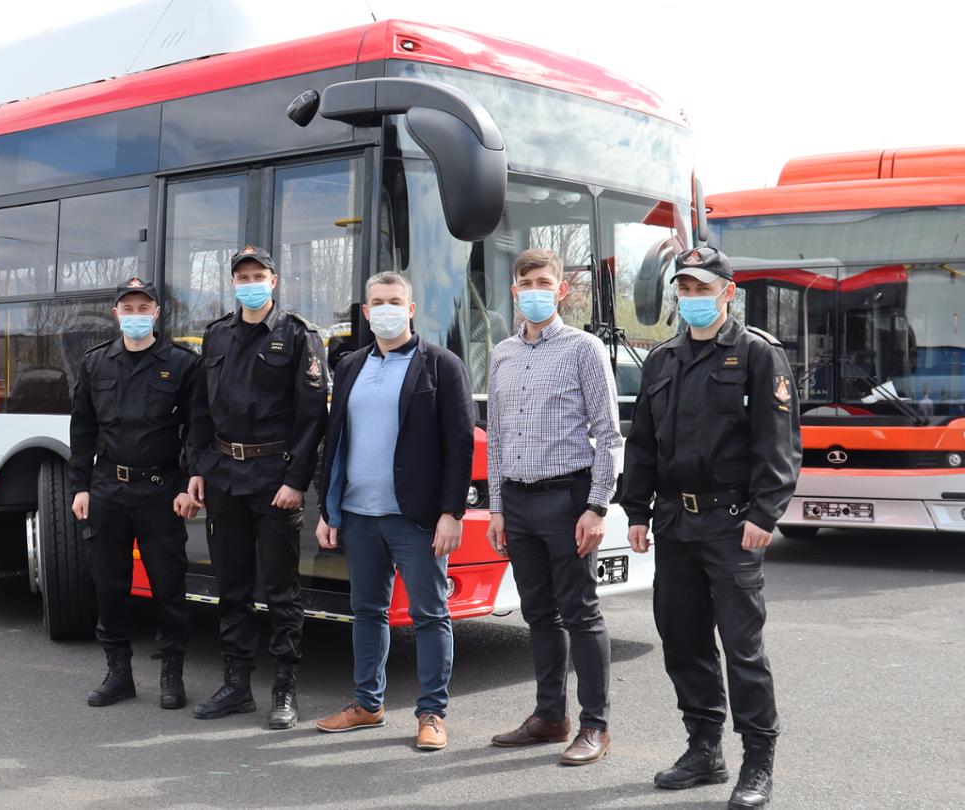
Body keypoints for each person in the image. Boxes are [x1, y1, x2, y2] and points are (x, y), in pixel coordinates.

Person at [618, 245, 800, 809]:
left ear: (728, 292)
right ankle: (704, 749)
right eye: (685, 288)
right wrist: (638, 513)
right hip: (675, 524)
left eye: (703, 288)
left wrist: (765, 514)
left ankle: (757, 762)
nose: (693, 298)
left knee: (742, 649)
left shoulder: (756, 355)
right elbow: (642, 444)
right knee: (684, 642)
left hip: (732, 524)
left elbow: (780, 444)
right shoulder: (662, 360)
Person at [310, 271, 473, 752]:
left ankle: (432, 713)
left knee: (429, 614)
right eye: (377, 301)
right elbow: (335, 441)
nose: (385, 308)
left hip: (417, 517)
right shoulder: (350, 366)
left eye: (394, 300)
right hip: (359, 515)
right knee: (366, 612)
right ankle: (367, 703)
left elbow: (459, 445)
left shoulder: (441, 366)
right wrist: (329, 508)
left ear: (411, 308)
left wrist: (452, 513)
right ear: (364, 311)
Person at [483, 248, 621, 766]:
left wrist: (597, 506)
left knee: (580, 612)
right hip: (516, 502)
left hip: (568, 500)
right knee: (538, 613)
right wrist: (497, 507)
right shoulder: (501, 354)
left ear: (562, 290)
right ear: (514, 291)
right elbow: (496, 437)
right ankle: (549, 716)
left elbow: (608, 434)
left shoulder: (584, 349)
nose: (534, 290)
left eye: (544, 281)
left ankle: (595, 725)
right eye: (525, 282)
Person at [185, 245, 328, 730]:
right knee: (232, 588)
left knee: (282, 591)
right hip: (224, 476)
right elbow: (201, 410)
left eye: (258, 274)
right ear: (233, 283)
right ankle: (236, 685)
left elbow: (313, 419)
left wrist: (295, 482)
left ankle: (284, 690)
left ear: (274, 280)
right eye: (242, 275)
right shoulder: (217, 335)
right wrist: (199, 467)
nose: (250, 281)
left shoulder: (298, 335)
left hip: (273, 481)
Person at [68, 277, 207, 711]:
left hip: (160, 491)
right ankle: (118, 672)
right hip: (108, 489)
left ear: (156, 313)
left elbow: (197, 429)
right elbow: (83, 430)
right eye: (127, 309)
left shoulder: (183, 364)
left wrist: (188, 484)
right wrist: (80, 487)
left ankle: (171, 674)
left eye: (142, 307)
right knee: (110, 587)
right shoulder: (95, 364)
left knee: (168, 588)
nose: (135, 315)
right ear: (116, 314)